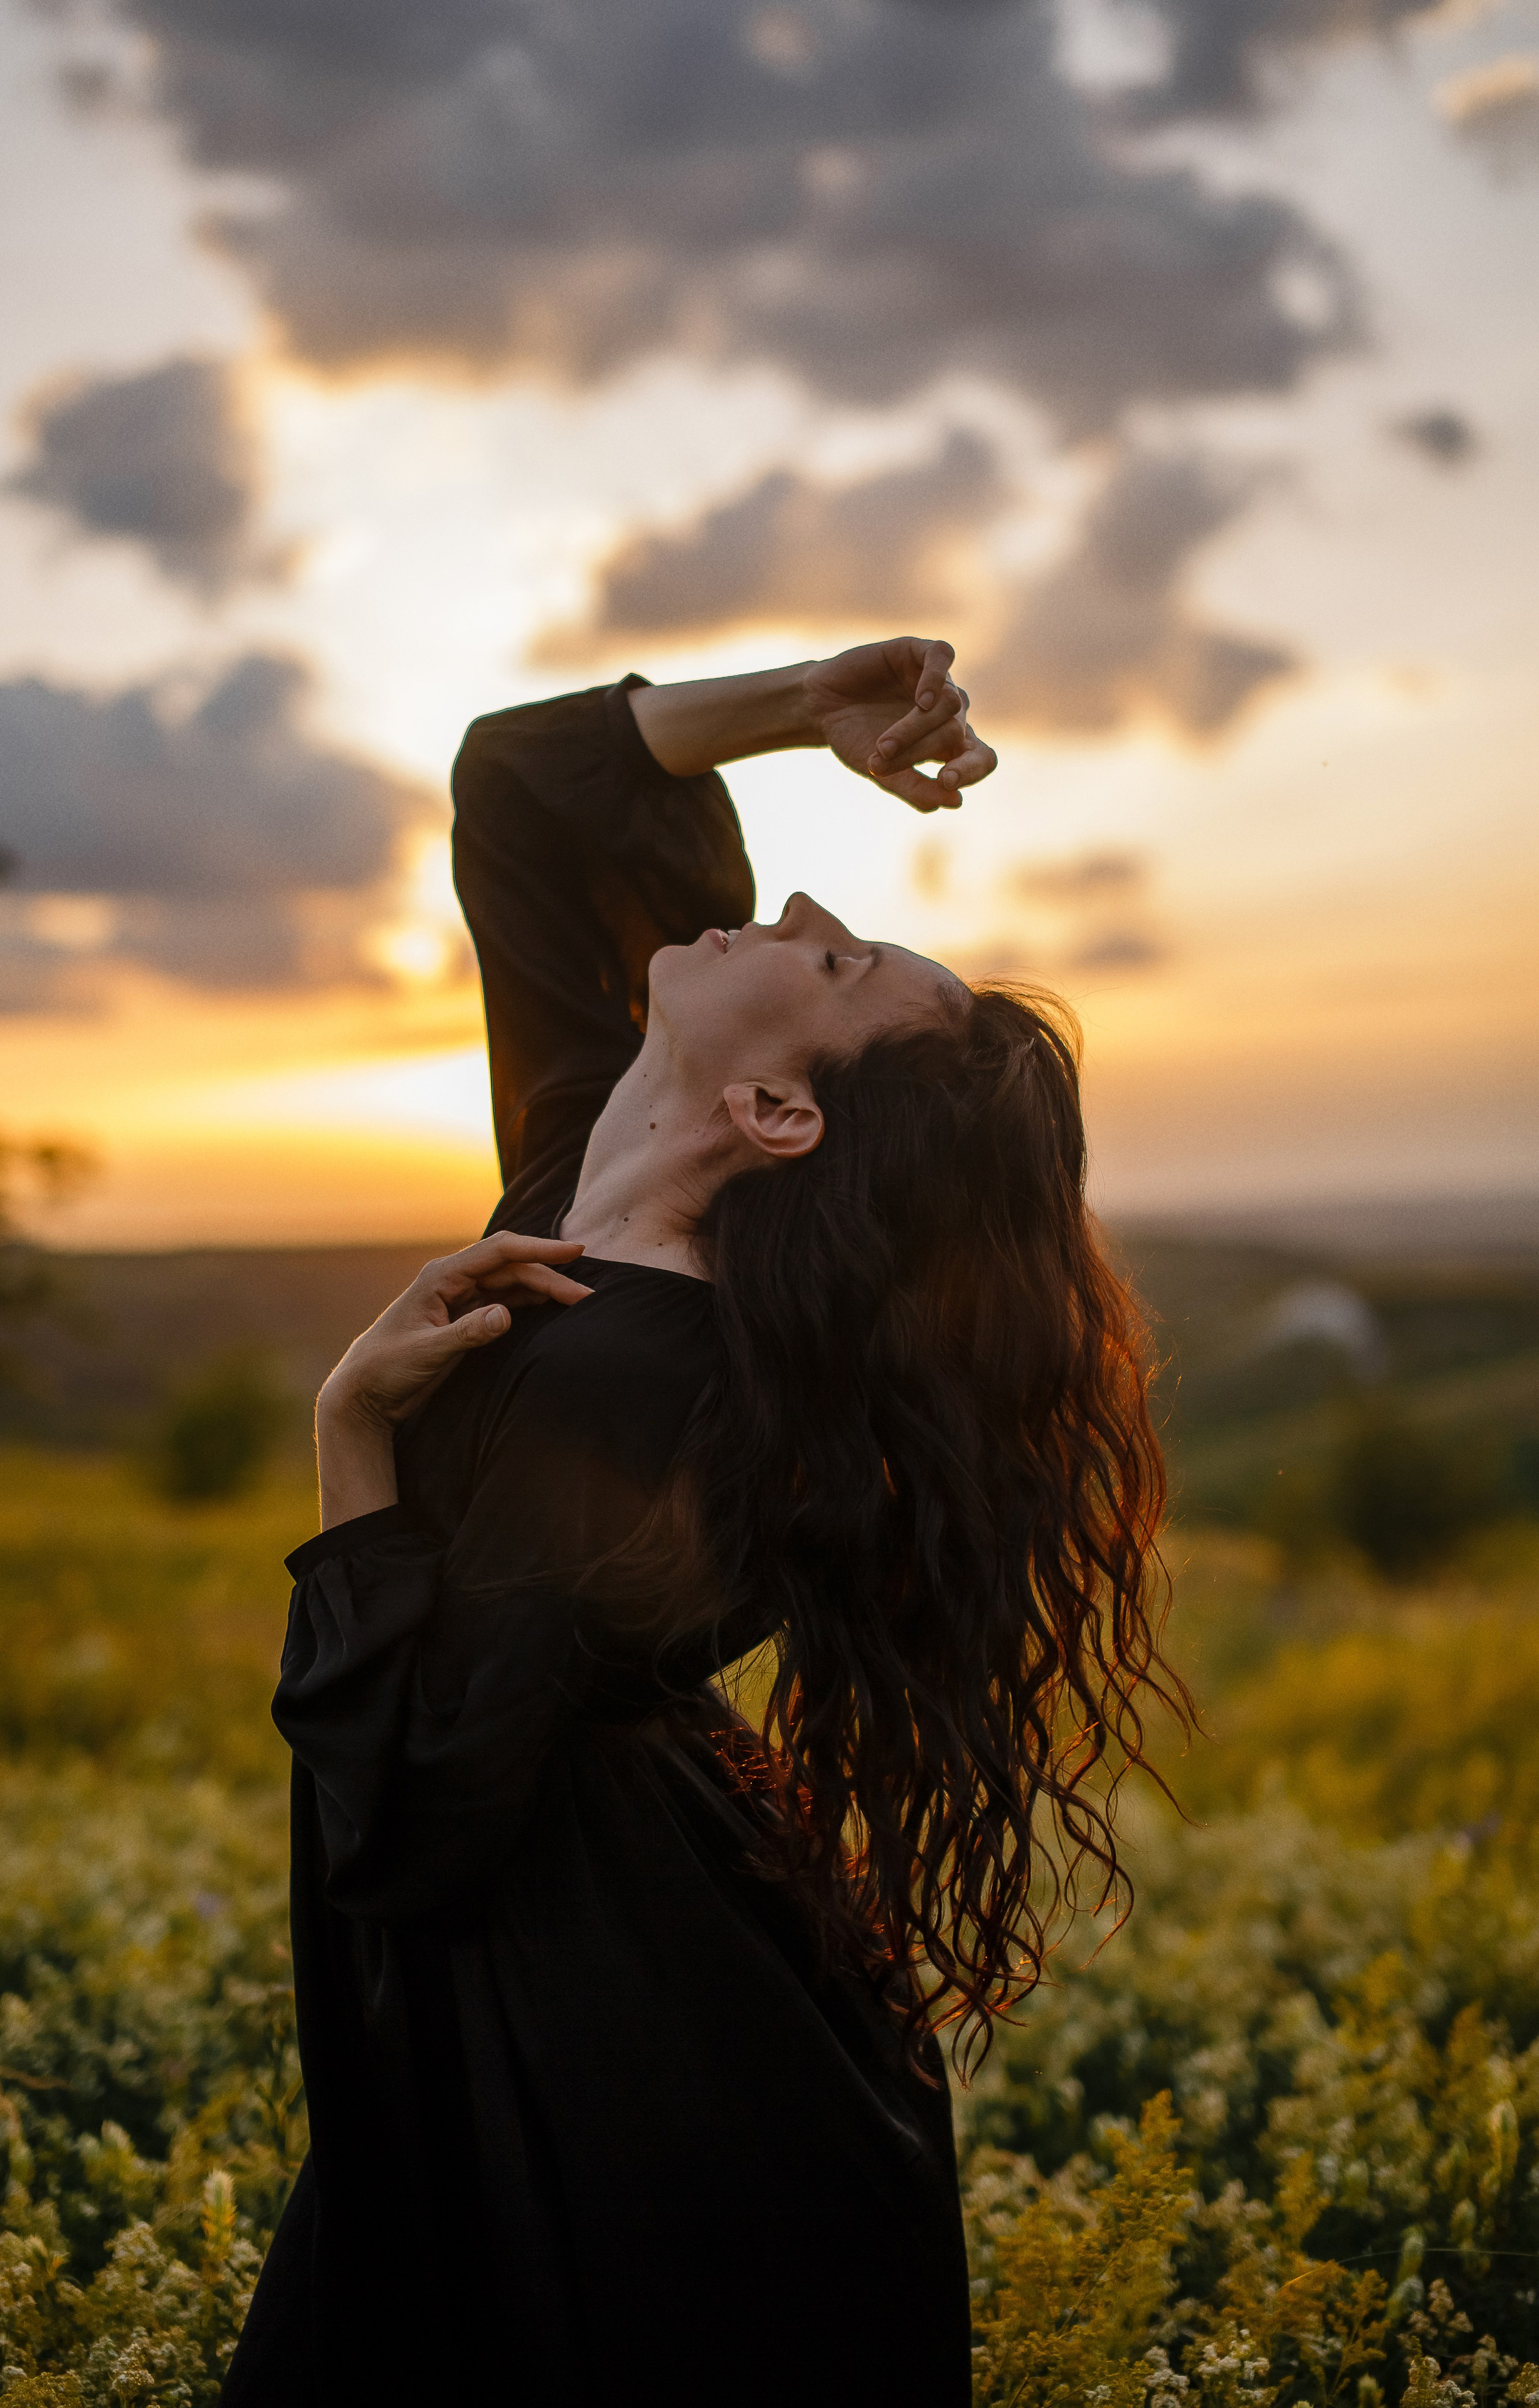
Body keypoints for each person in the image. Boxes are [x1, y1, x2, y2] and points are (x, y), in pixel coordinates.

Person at [221, 638, 1181, 2407]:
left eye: (829, 957)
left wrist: (350, 1437)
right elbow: (521, 785)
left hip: (628, 2075)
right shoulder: (581, 1182)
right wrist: (810, 701)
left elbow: (413, 1820)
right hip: (625, 1987)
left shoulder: (645, 1389)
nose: (798, 891)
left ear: (773, 1110)